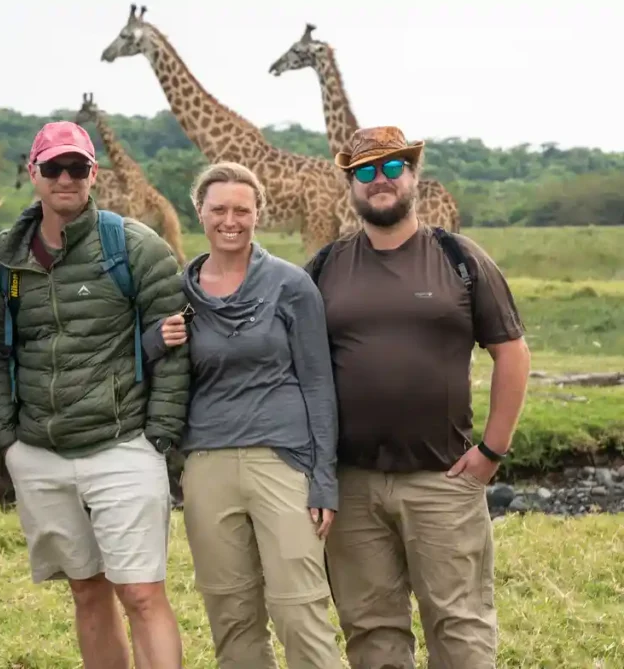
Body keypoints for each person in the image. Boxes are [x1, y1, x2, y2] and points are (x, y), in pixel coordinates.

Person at [0, 120, 191, 669]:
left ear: (93, 173)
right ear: (34, 173)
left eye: (77, 168)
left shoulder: (134, 246)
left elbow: (177, 345)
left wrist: (160, 437)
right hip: (39, 450)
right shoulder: (2, 259)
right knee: (87, 589)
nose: (65, 178)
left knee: (141, 593)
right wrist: (8, 440)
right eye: (54, 168)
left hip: (123, 443)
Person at [310, 126, 531, 669]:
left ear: (413, 176)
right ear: (351, 186)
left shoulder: (458, 257)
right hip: (353, 482)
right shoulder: (325, 267)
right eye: (364, 172)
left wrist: (491, 452)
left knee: (459, 625)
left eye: (391, 168)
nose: (378, 180)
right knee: (371, 630)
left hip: (444, 478)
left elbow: (512, 352)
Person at [144, 161, 343, 669]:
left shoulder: (290, 285)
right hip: (207, 463)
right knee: (231, 613)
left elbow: (319, 382)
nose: (229, 220)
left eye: (241, 210)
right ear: (200, 212)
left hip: (283, 460)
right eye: (218, 209)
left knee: (299, 608)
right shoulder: (179, 291)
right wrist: (150, 343)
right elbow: (139, 369)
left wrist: (324, 478)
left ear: (258, 214)